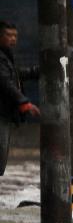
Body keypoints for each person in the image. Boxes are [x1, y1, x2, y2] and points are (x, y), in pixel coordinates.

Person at [0, 21, 40, 176]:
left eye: (15, 36)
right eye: (8, 35)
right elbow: (5, 81)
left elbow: (14, 74)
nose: (13, 39)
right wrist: (23, 102)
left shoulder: (5, 56)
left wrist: (36, 71)